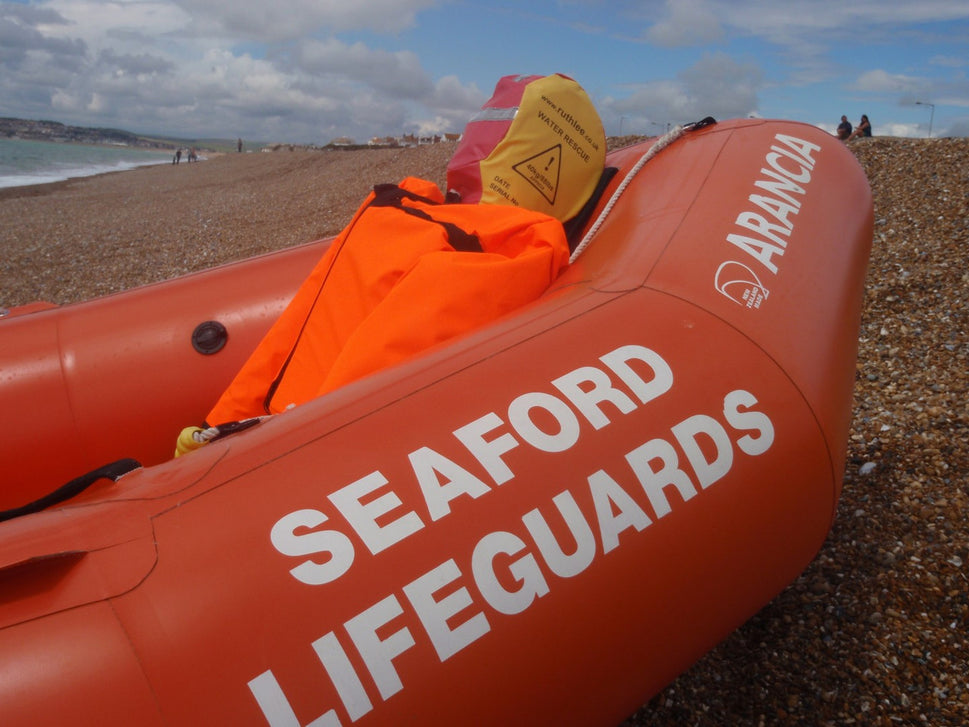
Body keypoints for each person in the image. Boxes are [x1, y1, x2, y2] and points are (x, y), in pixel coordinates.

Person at [175, 73, 607, 456]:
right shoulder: (519, 254)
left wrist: (216, 437)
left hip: (270, 470)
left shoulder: (413, 227)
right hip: (269, 457)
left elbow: (329, 409)